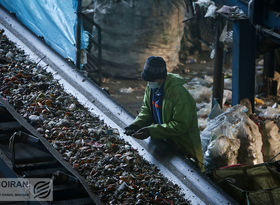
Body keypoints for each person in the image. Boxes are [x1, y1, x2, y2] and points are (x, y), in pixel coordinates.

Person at [124, 56, 203, 170]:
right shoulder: (152, 87)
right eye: (148, 80)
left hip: (184, 146)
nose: (149, 83)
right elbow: (147, 111)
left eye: (152, 80)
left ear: (162, 78)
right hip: (165, 141)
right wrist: (136, 125)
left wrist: (151, 131)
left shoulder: (179, 93)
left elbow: (180, 125)